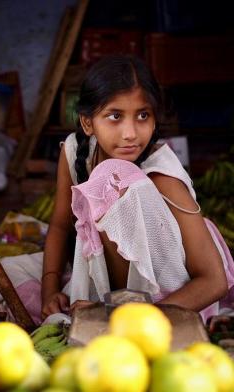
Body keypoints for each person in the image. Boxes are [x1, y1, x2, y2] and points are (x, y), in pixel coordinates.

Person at [41, 54, 234, 323]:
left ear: (155, 119)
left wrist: (127, 319)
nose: (130, 133)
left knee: (114, 175)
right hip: (113, 291)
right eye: (115, 116)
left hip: (171, 304)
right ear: (87, 123)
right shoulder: (75, 151)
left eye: (143, 115)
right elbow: (61, 225)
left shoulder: (163, 176)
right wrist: (49, 290)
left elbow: (215, 281)